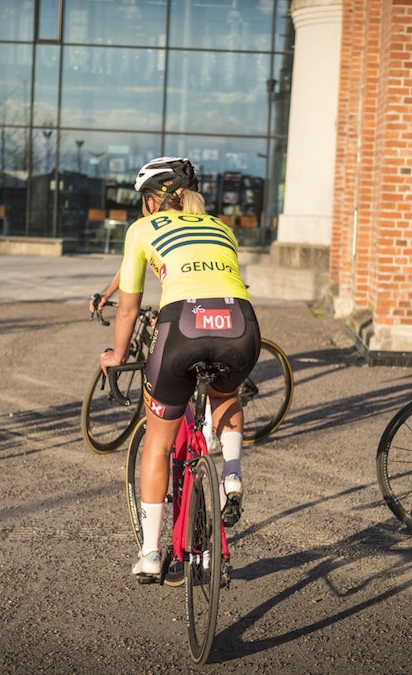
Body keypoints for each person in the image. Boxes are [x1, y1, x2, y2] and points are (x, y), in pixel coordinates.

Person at [99, 157, 261, 582]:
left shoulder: (142, 229)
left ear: (153, 202)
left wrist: (118, 356)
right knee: (225, 395)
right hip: (240, 324)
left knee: (158, 441)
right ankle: (231, 475)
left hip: (182, 327)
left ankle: (151, 553)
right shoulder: (221, 227)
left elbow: (128, 309)